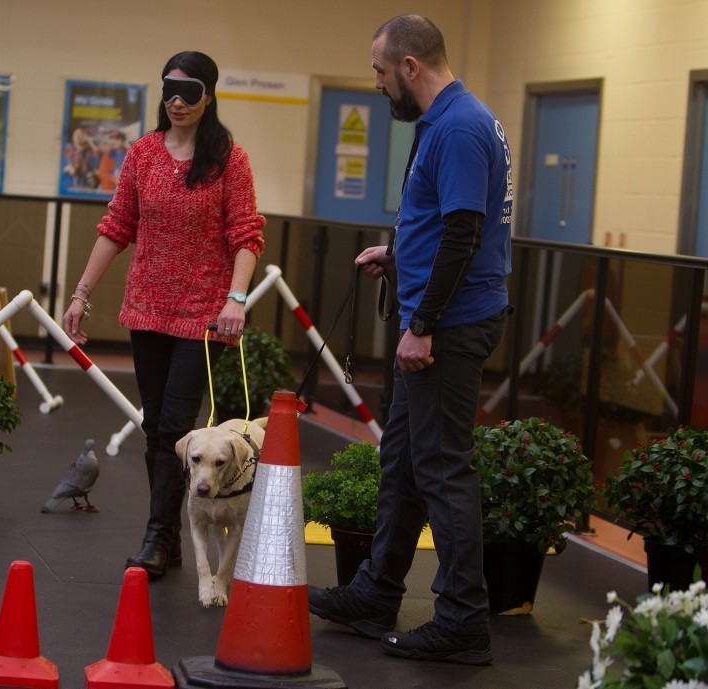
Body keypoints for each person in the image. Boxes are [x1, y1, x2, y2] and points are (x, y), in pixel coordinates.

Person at [308, 14, 513, 666]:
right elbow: (442, 223)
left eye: (378, 71)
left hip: (447, 326)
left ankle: (460, 620)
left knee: (444, 468)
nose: (377, 84)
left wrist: (422, 325)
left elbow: (463, 233)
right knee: (403, 459)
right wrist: (397, 256)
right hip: (436, 314)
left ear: (409, 67)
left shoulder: (458, 126)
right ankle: (375, 593)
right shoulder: (451, 121)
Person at [62, 50, 265, 579]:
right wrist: (81, 294)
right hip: (147, 308)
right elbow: (116, 226)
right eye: (168, 91)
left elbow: (246, 235)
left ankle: (157, 536)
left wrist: (236, 299)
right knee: (156, 429)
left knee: (178, 423)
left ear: (209, 96)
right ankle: (169, 538)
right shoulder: (143, 154)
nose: (176, 102)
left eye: (189, 92)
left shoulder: (229, 159)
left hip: (203, 316)